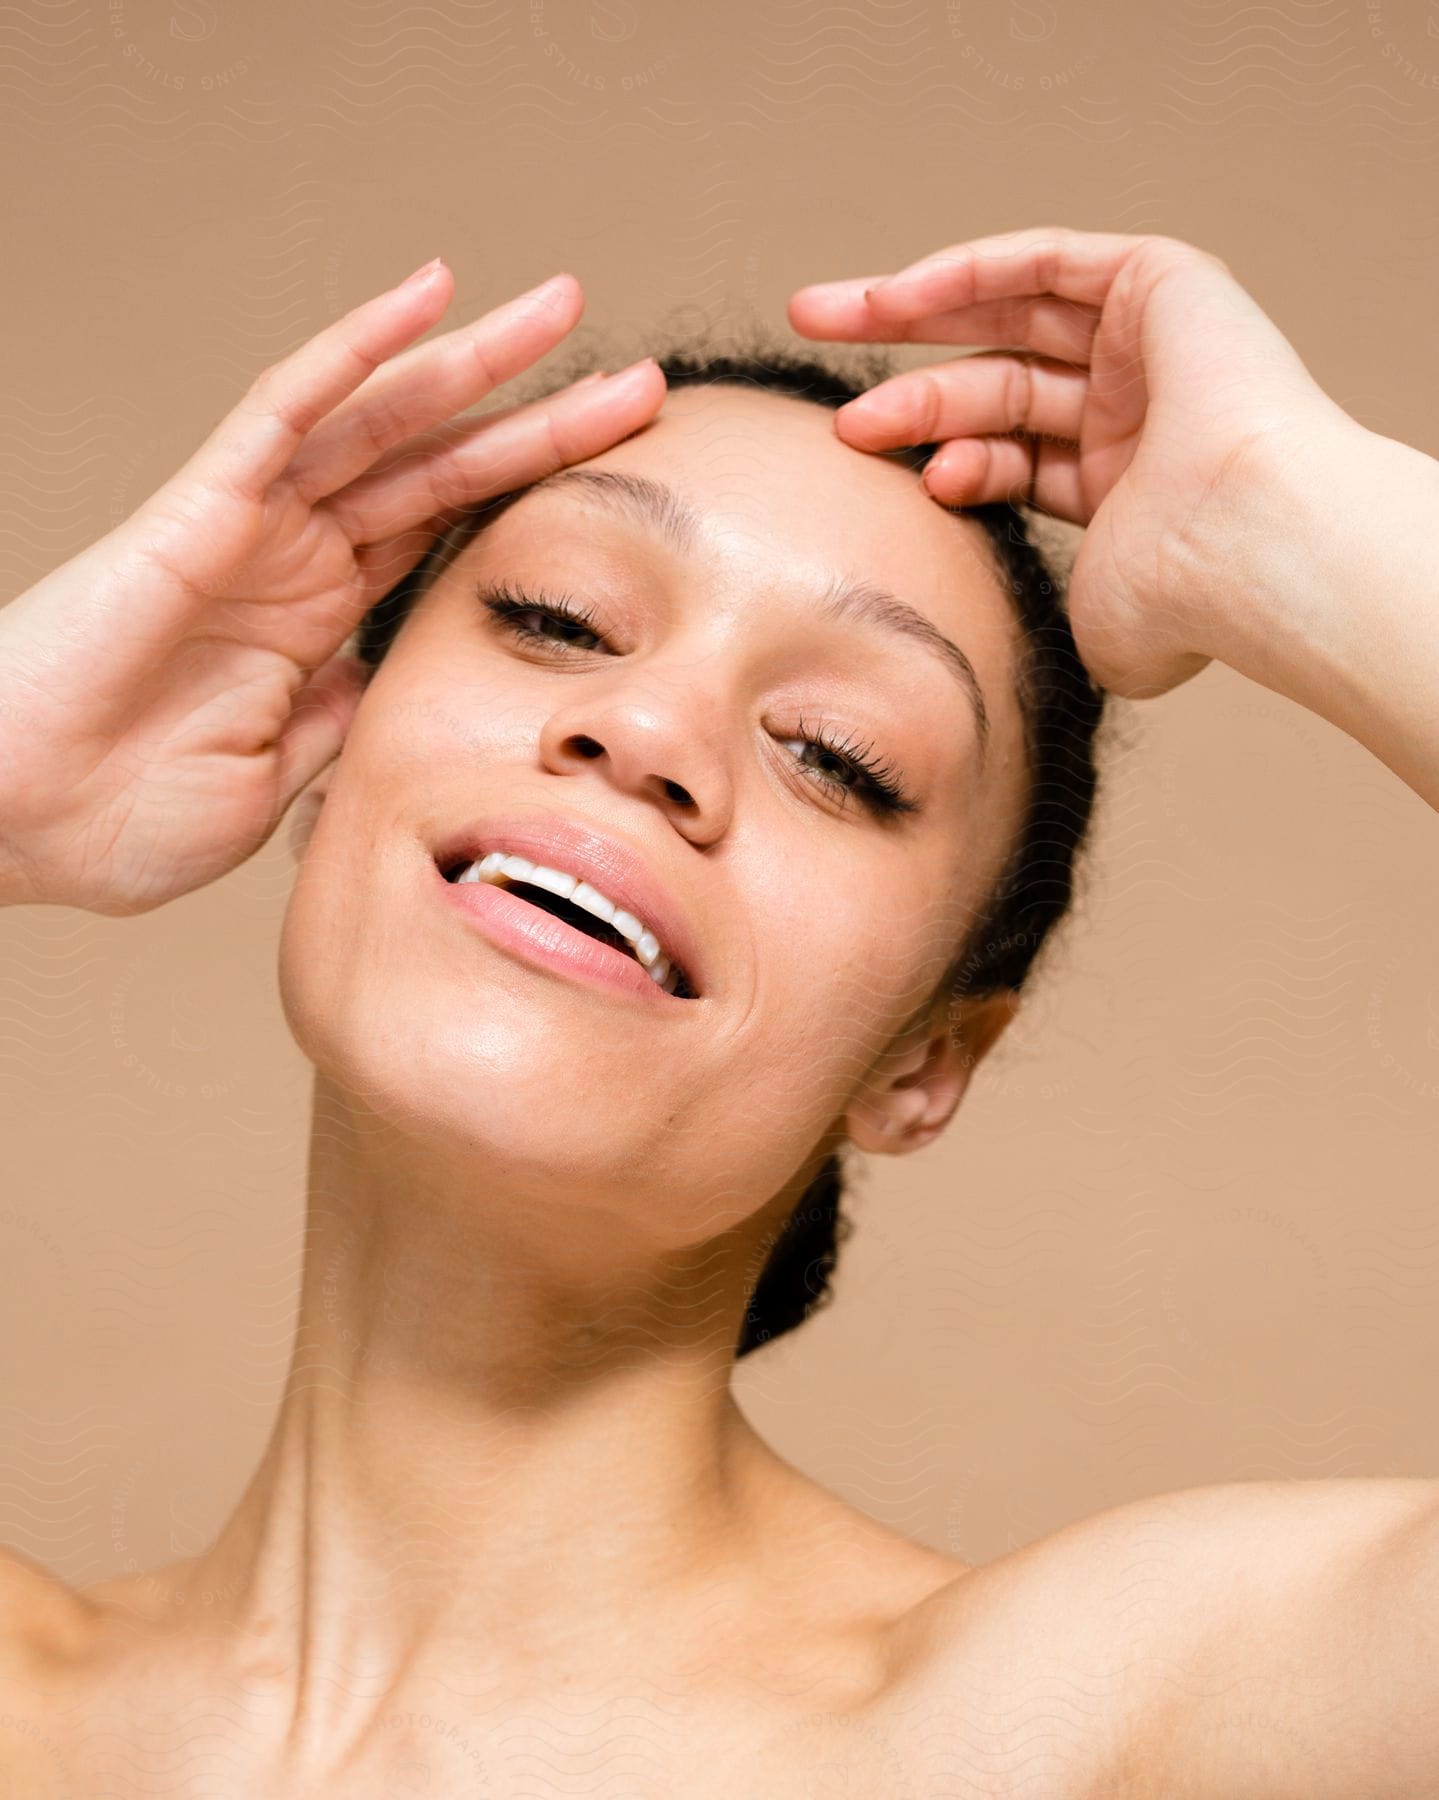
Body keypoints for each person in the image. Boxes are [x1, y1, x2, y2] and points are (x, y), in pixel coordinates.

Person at [0, 228, 1434, 1796]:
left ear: (923, 1060)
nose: (644, 728)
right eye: (558, 618)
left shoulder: (1060, 1738)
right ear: (330, 756)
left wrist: (1296, 518)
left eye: (838, 753)